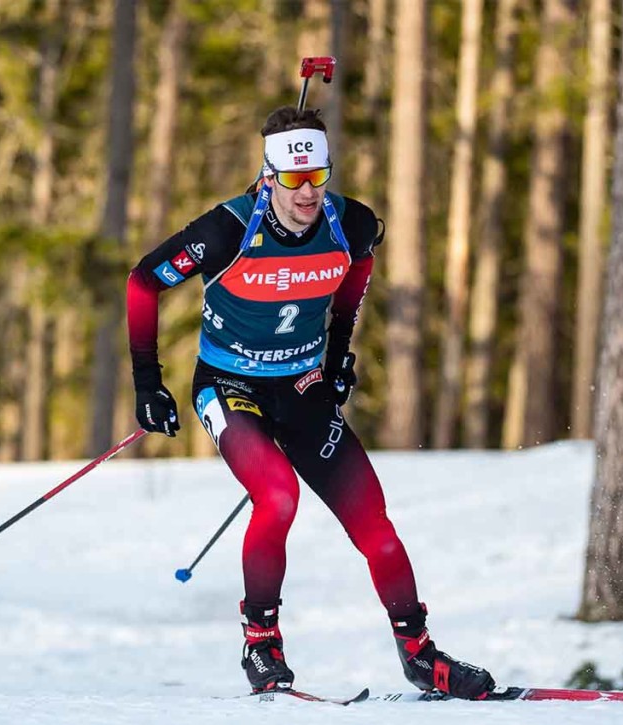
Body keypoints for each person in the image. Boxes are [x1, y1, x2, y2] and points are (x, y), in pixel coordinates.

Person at [125, 106, 495, 699]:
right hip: (230, 387)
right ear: (267, 176)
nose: (306, 194)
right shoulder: (226, 230)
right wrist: (148, 381)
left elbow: (359, 268)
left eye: (316, 178)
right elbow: (144, 281)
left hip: (302, 389)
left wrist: (339, 353)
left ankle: (420, 654)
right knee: (278, 496)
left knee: (374, 524)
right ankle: (262, 644)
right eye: (292, 180)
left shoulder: (350, 224)